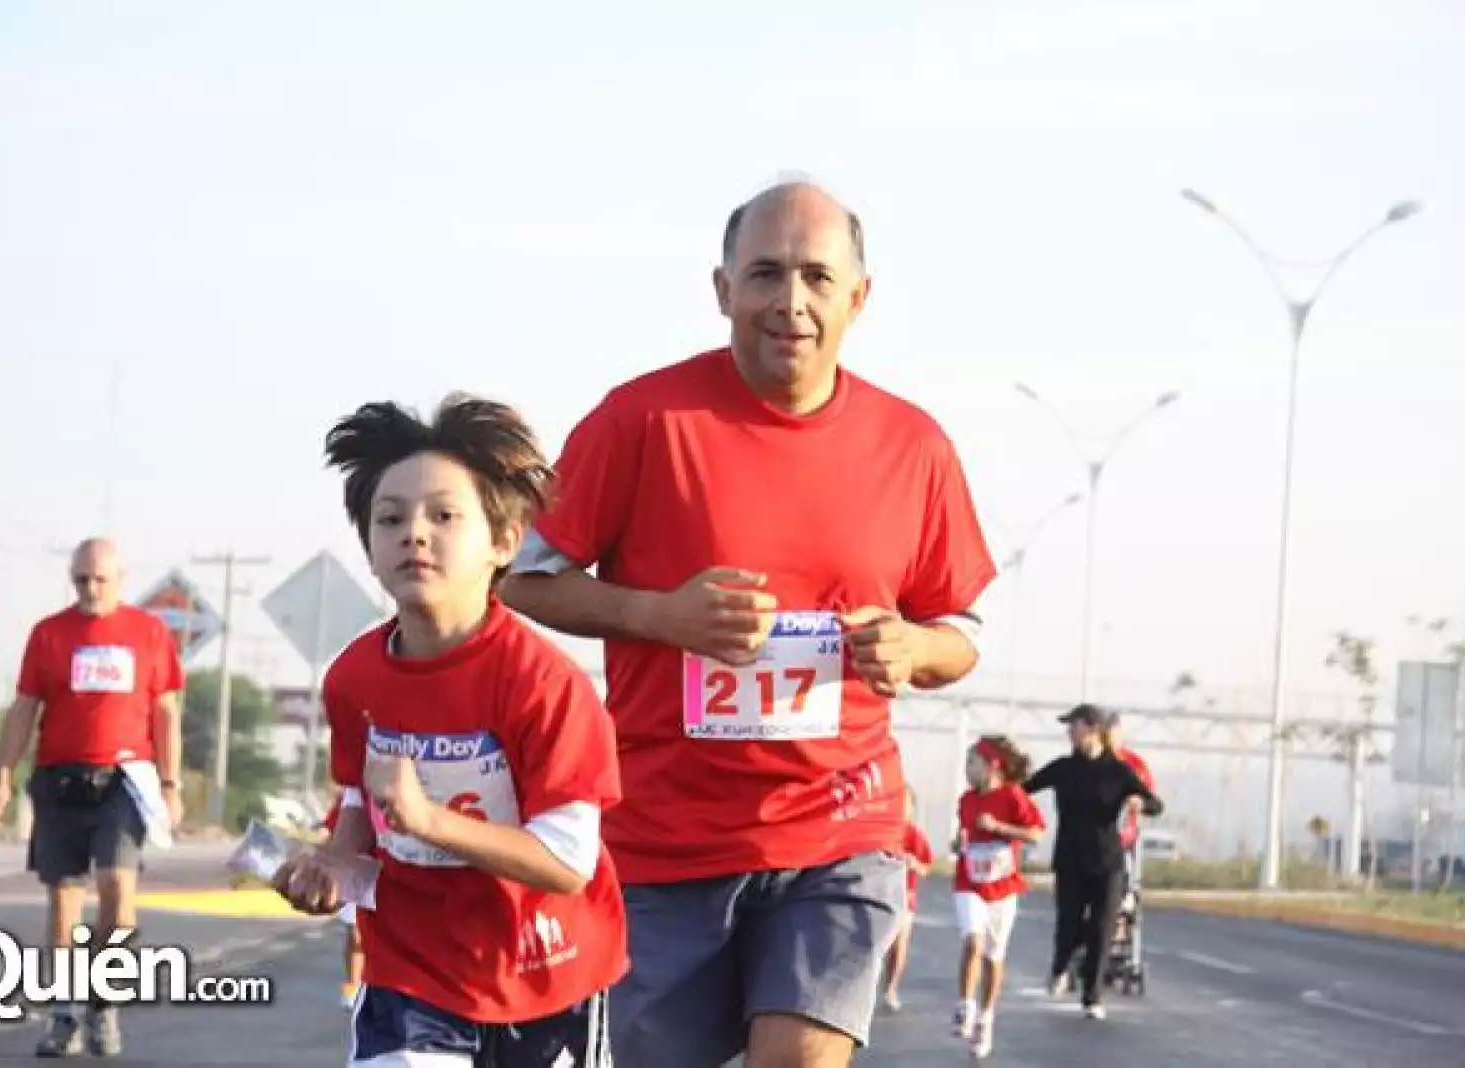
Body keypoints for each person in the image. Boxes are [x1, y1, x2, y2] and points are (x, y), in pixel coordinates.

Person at [500, 179, 996, 1068]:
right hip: (664, 842)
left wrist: (914, 647)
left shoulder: (914, 447)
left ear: (858, 297)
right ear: (724, 288)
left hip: (839, 832)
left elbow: (962, 630)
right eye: (765, 274)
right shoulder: (642, 420)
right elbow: (521, 581)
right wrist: (659, 614)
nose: (790, 302)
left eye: (815, 276)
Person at [273, 394, 628, 1068]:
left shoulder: (544, 685)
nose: (414, 533)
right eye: (390, 517)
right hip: (411, 969)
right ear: (369, 546)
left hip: (543, 971)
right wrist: (330, 865)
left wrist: (430, 821)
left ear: (504, 540)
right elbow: (359, 800)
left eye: (443, 516)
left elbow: (567, 862)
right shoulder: (354, 678)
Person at [0, 537, 185, 1059]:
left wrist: (170, 784)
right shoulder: (49, 635)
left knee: (119, 897)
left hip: (123, 779)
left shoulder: (149, 633)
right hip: (59, 781)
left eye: (100, 578)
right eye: (81, 579)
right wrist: (2, 774)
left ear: (120, 578)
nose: (90, 588)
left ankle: (103, 998)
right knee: (63, 903)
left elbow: (165, 712)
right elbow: (24, 708)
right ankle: (66, 1012)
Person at [1023, 704, 1163, 1020]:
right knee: (1068, 924)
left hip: (1107, 861)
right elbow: (1023, 790)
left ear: (1092, 729)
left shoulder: (1118, 771)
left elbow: (1156, 804)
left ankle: (1092, 996)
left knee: (1102, 927)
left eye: (1073, 725)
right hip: (1070, 858)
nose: (1069, 732)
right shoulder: (1063, 768)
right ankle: (1060, 966)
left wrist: (1141, 803)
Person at [950, 735, 1043, 1060]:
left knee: (993, 955)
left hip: (1002, 888)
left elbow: (1035, 833)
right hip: (969, 883)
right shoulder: (966, 800)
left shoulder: (1013, 796)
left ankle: (986, 1018)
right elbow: (962, 838)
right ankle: (965, 1005)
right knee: (972, 942)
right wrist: (958, 844)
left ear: (993, 767)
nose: (967, 770)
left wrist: (999, 827)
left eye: (972, 764)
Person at [879, 785, 933, 1014]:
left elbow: (926, 867)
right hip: (880, 895)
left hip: (904, 899)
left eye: (906, 803)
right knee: (875, 944)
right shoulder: (879, 831)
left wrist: (915, 864)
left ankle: (890, 988)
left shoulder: (914, 836)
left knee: (899, 945)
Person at [319, 797, 367, 1010]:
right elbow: (329, 831)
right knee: (356, 933)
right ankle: (353, 985)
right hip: (356, 873)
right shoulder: (352, 796)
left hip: (389, 874)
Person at [1103, 712, 1154, 856]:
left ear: (1119, 731)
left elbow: (1151, 800)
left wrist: (1140, 803)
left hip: (1125, 839)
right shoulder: (1087, 764)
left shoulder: (1135, 764)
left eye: (1110, 731)